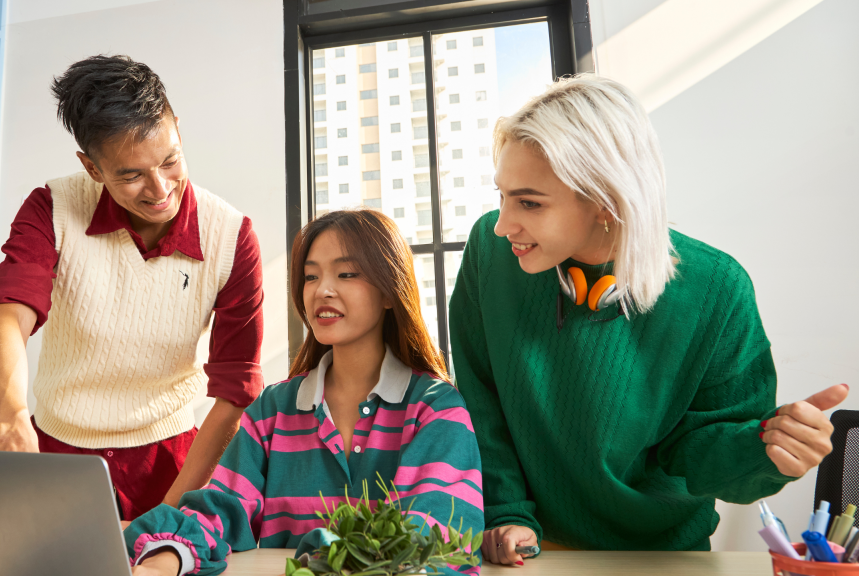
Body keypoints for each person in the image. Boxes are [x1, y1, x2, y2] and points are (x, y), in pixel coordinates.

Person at [449, 74, 848, 563]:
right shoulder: (491, 256)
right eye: (503, 195)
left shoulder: (718, 289)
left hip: (664, 559)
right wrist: (508, 512)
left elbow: (704, 452)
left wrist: (770, 452)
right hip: (530, 551)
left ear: (606, 200)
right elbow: (479, 404)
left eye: (529, 202)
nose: (503, 223)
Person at [0, 55, 264, 520]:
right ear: (92, 167)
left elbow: (234, 392)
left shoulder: (231, 236)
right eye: (130, 175)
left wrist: (171, 511)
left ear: (178, 131)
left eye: (170, 161)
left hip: (171, 465)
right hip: (58, 455)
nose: (160, 188)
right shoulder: (53, 207)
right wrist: (6, 422)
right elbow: (5, 314)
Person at [124, 209, 483, 576]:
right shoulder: (273, 409)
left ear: (390, 291)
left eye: (347, 274)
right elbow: (223, 508)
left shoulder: (436, 408)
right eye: (311, 276)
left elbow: (438, 533)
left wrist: (331, 556)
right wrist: (167, 559)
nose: (322, 290)